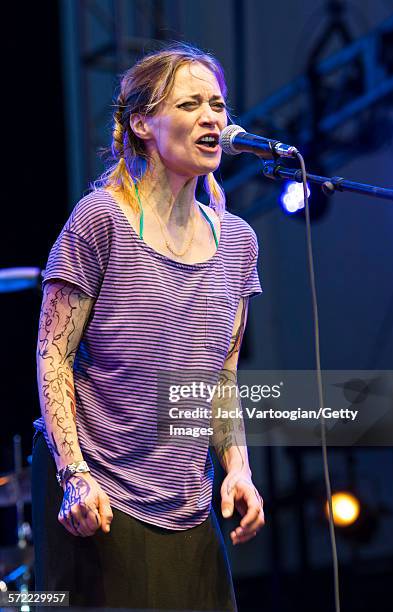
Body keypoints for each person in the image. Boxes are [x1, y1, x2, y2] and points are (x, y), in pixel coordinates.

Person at [31, 42, 265, 611]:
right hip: (103, 493)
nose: (212, 118)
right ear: (141, 123)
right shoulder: (101, 220)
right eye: (190, 105)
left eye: (218, 105)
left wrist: (238, 466)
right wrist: (74, 474)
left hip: (187, 500)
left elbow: (221, 378)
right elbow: (52, 353)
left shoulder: (237, 242)